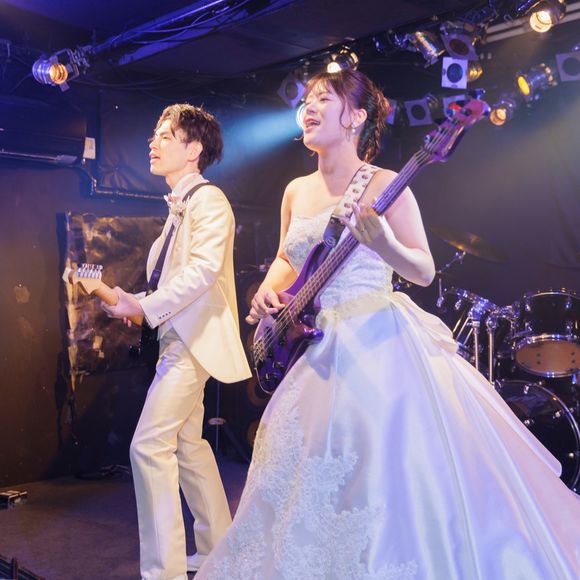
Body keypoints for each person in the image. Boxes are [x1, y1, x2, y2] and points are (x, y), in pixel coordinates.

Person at [196, 70, 580, 579]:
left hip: (375, 341)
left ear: (356, 117)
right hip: (312, 346)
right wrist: (268, 291)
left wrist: (385, 244)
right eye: (308, 100)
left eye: (324, 99)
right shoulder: (294, 190)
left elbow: (422, 269)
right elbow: (288, 259)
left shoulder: (383, 184)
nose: (310, 108)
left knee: (377, 470)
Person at [101, 103, 251, 579]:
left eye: (165, 135)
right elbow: (176, 282)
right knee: (188, 446)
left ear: (194, 149)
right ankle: (217, 551)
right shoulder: (179, 208)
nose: (154, 142)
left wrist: (144, 307)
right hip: (178, 340)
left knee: (148, 447)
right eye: (155, 134)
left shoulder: (209, 201)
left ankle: (161, 571)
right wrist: (134, 301)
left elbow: (203, 273)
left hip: (193, 344)